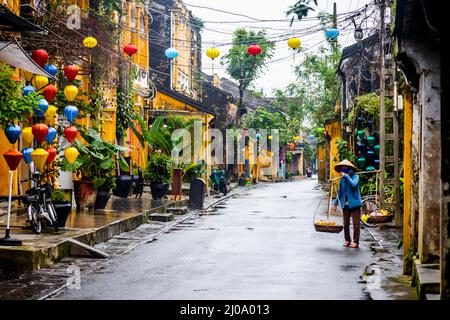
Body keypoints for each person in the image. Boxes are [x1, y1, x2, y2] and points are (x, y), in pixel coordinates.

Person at [332, 160, 362, 248]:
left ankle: (356, 241)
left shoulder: (356, 176)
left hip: (355, 203)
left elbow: (353, 185)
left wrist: (346, 176)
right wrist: (335, 203)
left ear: (350, 169)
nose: (343, 169)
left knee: (356, 224)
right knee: (346, 223)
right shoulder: (342, 180)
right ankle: (347, 240)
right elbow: (340, 192)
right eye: (342, 168)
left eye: (345, 168)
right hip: (345, 204)